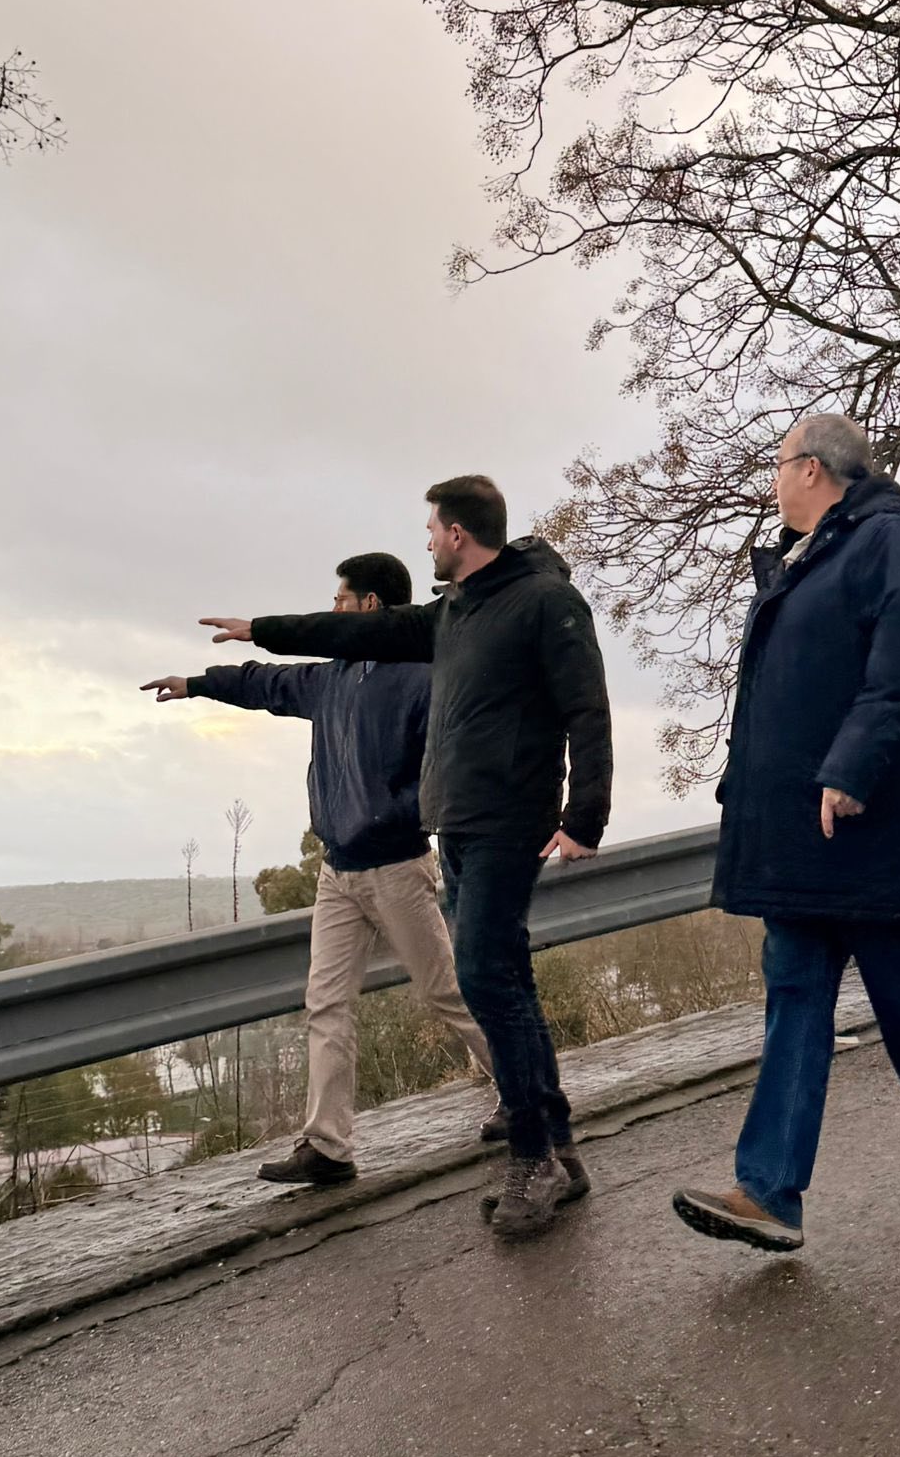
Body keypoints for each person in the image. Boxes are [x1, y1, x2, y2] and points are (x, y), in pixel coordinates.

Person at [200, 475, 613, 1241]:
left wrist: (584, 814)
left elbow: (586, 708)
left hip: (507, 816)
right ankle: (553, 1148)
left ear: (458, 533)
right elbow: (358, 637)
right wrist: (259, 629)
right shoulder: (454, 614)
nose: (426, 541)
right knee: (500, 981)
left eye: (432, 529)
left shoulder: (543, 603)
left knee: (482, 978)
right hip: (457, 823)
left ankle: (535, 1153)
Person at [671, 415, 900, 1254]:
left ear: (814, 470)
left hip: (874, 826)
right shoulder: (809, 560)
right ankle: (768, 1192)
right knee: (794, 995)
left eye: (780, 466)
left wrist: (853, 766)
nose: (773, 483)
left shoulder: (892, 541)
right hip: (801, 836)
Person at [143, 551, 494, 1186]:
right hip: (337, 873)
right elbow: (266, 684)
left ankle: (527, 1094)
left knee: (445, 992)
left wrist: (395, 817)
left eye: (340, 600)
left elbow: (448, 770)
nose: (332, 609)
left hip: (397, 868)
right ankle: (328, 1147)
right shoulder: (333, 677)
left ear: (371, 606)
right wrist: (196, 684)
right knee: (326, 1006)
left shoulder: (423, 678)